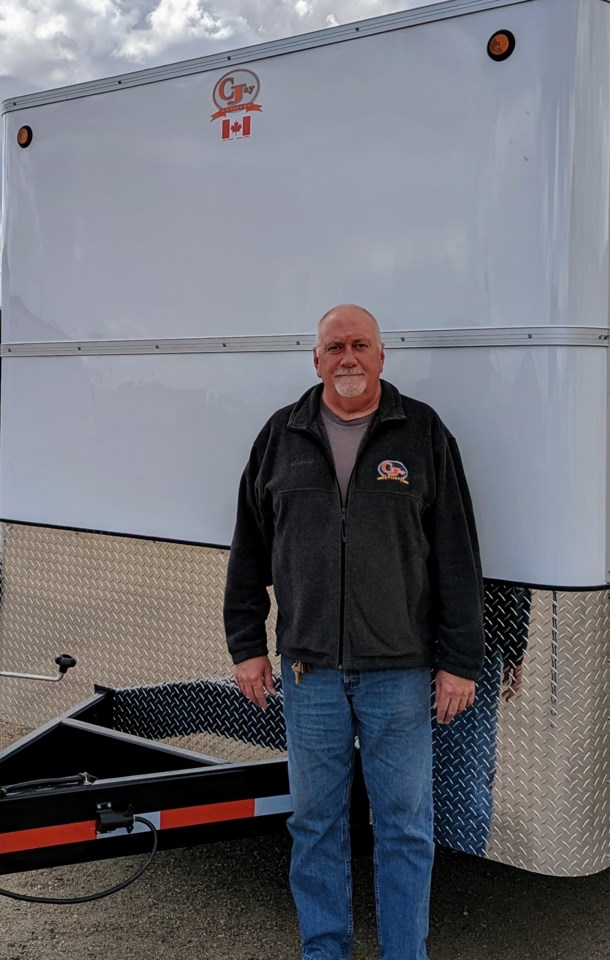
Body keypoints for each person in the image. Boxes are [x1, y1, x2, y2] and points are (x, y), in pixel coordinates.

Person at [223, 304, 485, 960]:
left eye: (359, 345)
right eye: (334, 346)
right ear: (315, 360)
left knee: (404, 829)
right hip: (309, 674)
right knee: (316, 828)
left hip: (400, 675)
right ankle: (325, 952)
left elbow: (458, 554)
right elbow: (248, 552)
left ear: (381, 356)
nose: (347, 357)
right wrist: (247, 645)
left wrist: (461, 661)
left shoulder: (421, 434)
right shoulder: (280, 438)